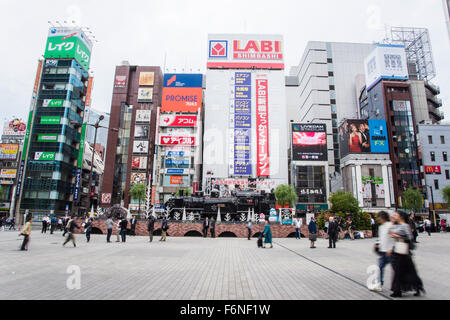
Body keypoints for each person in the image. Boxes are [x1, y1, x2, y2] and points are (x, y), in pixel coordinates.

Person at [389, 211, 425, 298]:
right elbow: (390, 232)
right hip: (397, 249)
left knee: (402, 271)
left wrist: (399, 236)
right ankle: (413, 287)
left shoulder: (405, 225)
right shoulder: (397, 225)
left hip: (403, 252)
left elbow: (410, 237)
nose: (394, 216)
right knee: (402, 271)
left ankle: (399, 291)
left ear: (400, 216)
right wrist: (392, 224)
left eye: (396, 215)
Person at [371, 211, 394, 292]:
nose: (378, 219)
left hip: (390, 252)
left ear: (383, 218)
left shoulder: (390, 225)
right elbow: (380, 238)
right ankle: (379, 284)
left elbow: (393, 238)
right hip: (382, 251)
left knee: (395, 269)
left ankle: (399, 285)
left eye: (379, 218)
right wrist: (377, 244)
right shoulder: (381, 227)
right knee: (380, 268)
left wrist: (391, 248)